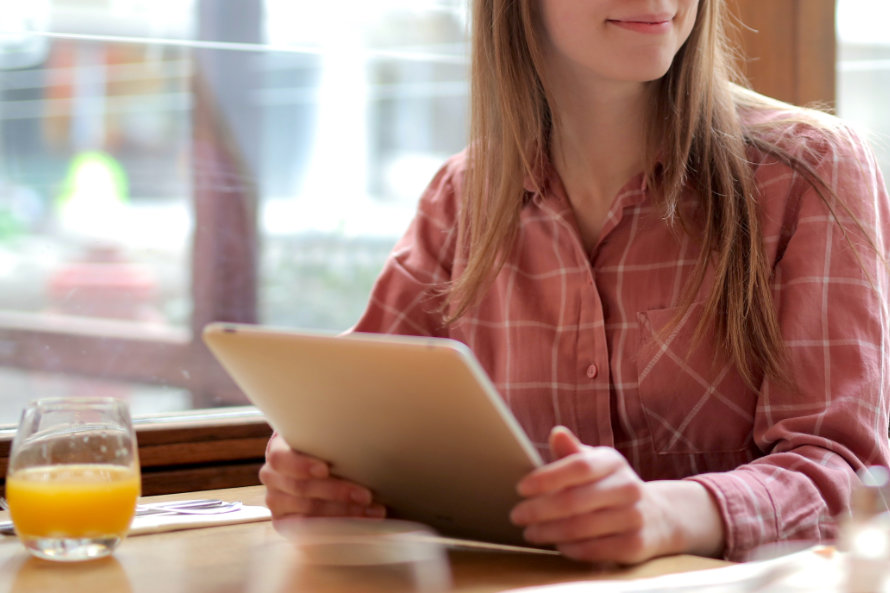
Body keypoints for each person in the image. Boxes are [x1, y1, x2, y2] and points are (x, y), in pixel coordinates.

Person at [260, 0, 890, 564]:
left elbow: (845, 473)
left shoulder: (810, 170)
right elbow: (353, 409)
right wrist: (315, 470)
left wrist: (668, 513)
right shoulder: (464, 197)